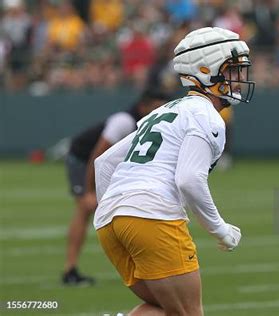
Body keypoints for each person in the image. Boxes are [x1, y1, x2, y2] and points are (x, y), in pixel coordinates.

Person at [93, 27, 255, 315]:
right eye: (233, 70)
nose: (240, 80)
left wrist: (116, 209)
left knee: (165, 309)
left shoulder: (162, 111)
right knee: (190, 313)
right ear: (206, 71)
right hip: (152, 215)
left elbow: (104, 163)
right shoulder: (207, 116)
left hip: (109, 223)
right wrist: (220, 230)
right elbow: (189, 180)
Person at [63, 88, 169, 286]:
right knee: (85, 209)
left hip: (104, 164)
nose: (159, 112)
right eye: (155, 107)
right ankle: (70, 269)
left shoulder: (149, 124)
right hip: (83, 159)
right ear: (142, 106)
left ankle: (140, 267)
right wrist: (88, 190)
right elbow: (96, 155)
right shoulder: (124, 121)